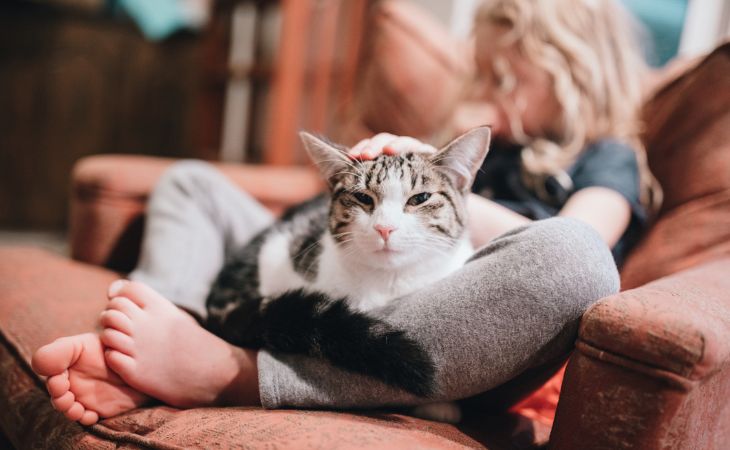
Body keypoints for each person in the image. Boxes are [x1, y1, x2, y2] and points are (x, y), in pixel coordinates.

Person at [30, 0, 656, 426]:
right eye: (483, 71)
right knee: (190, 181)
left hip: (461, 321)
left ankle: (237, 374)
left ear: (576, 67)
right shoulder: (471, 143)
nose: (488, 87)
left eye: (506, 73)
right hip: (346, 268)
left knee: (571, 255)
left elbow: (588, 242)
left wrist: (448, 189)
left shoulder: (607, 157)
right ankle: (159, 322)